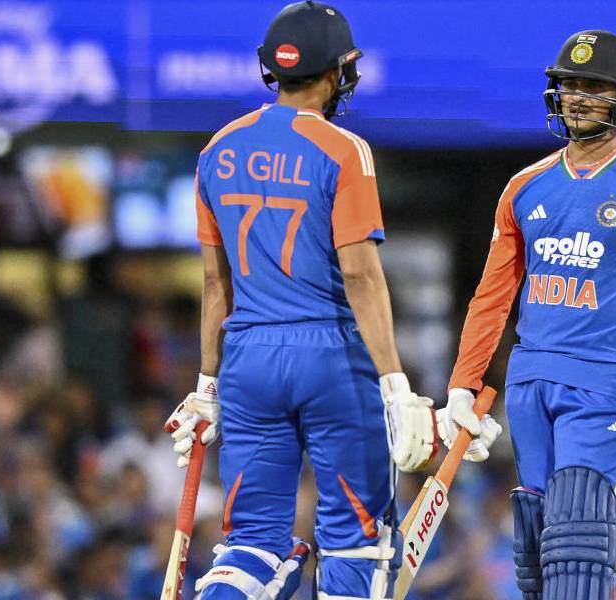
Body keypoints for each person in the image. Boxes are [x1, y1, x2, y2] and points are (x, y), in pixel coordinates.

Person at [164, 3, 439, 598]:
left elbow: (217, 285)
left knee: (250, 546)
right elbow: (362, 277)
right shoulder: (344, 150)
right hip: (332, 355)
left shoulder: (217, 149)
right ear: (337, 72)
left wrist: (206, 386)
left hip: (247, 361)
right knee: (356, 543)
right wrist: (396, 385)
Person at [436, 30, 616, 600]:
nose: (580, 97)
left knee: (580, 546)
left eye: (595, 87)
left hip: (605, 382)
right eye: (569, 85)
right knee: (538, 556)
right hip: (529, 382)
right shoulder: (523, 188)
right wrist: (463, 384)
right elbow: (492, 296)